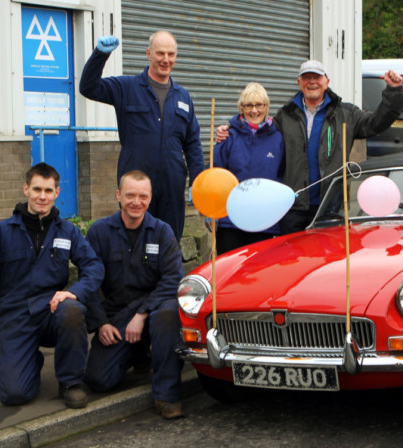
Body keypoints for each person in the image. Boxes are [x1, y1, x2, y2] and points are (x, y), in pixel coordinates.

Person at [0, 163, 104, 409]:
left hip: (51, 309)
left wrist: (73, 292)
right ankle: (29, 360)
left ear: (57, 193)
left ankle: (70, 382)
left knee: (73, 310)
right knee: (14, 395)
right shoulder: (3, 231)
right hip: (15, 315)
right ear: (26, 189)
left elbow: (94, 267)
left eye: (48, 190)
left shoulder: (68, 231)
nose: (42, 196)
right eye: (37, 189)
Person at [217, 60, 403, 234]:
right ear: (299, 82)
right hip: (293, 208)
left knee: (330, 262)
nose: (312, 82)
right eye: (307, 78)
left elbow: (376, 122)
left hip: (331, 205)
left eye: (317, 77)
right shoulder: (286, 115)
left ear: (326, 81)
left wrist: (394, 93)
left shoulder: (346, 113)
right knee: (293, 264)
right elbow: (259, 133)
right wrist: (231, 128)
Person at [79, 30, 204, 242]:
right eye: (160, 53)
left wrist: (198, 181)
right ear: (148, 53)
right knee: (134, 243)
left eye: (171, 54)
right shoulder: (126, 87)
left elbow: (192, 144)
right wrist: (100, 55)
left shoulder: (183, 97)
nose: (166, 60)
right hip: (136, 188)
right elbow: (88, 87)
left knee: (169, 242)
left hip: (171, 188)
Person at [84, 170, 185, 419]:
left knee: (169, 314)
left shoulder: (162, 232)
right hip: (117, 315)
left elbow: (173, 278)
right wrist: (100, 324)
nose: (136, 202)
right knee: (98, 379)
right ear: (118, 195)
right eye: (130, 195)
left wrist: (142, 313)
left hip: (153, 311)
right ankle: (140, 353)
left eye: (142, 196)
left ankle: (166, 395)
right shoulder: (99, 232)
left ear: (150, 199)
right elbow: (89, 282)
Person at [213, 82, 284, 253]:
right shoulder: (229, 137)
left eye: (259, 105)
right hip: (230, 221)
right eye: (248, 105)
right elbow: (216, 174)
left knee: (258, 271)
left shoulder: (278, 139)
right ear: (241, 108)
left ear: (267, 107)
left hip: (263, 221)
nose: (254, 110)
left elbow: (282, 177)